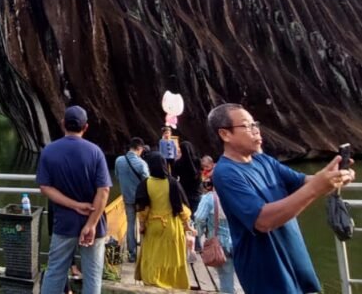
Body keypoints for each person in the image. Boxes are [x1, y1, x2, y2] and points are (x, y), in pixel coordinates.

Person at [208, 103, 356, 294]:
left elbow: (303, 181)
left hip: (296, 262)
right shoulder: (225, 173)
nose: (256, 131)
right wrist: (318, 187)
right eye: (247, 126)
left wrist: (330, 176)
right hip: (267, 272)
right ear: (225, 134)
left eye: (256, 124)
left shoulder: (264, 160)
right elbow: (262, 220)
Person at [37, 106, 111, 294]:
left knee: (55, 272)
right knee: (93, 276)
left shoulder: (49, 151)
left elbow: (45, 187)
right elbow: (103, 191)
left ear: (63, 124)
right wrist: (92, 224)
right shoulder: (95, 152)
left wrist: (74, 206)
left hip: (64, 224)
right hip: (94, 224)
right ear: (85, 127)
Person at [134, 152, 194, 289]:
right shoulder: (173, 183)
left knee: (153, 254)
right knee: (173, 256)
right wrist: (187, 225)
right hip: (172, 225)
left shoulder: (146, 184)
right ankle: (173, 283)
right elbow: (182, 208)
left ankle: (152, 280)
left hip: (154, 225)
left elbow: (143, 210)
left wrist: (142, 225)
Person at [113, 137, 149, 262]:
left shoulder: (119, 161)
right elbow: (147, 182)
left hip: (127, 197)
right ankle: (145, 252)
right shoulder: (142, 164)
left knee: (130, 224)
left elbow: (117, 176)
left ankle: (131, 254)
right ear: (139, 149)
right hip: (141, 200)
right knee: (144, 224)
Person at [195, 181, 235, 293]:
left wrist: (200, 233)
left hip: (220, 243)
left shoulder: (209, 198)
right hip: (239, 240)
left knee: (226, 279)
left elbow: (199, 218)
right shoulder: (237, 195)